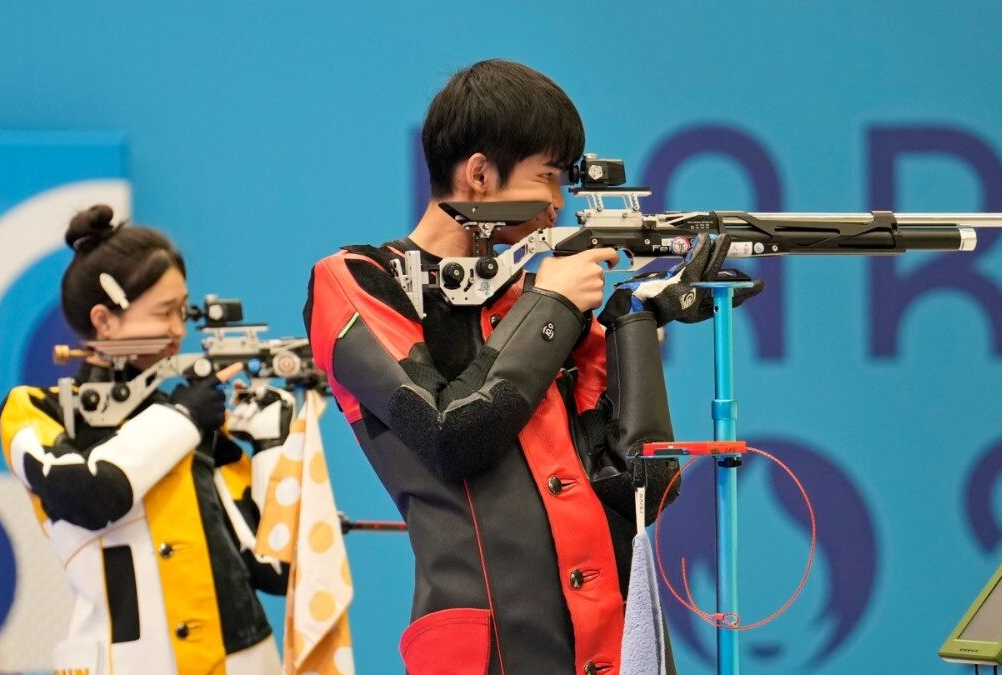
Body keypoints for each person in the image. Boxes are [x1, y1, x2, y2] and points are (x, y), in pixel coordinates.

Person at [304, 59, 760, 674]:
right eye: (548, 178)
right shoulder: (358, 280)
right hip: (487, 655)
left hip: (621, 643)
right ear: (480, 173)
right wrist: (552, 307)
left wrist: (634, 323)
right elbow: (450, 435)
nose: (557, 205)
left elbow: (645, 490)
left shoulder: (537, 295)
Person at [0, 205, 291, 675]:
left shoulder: (198, 420)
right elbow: (90, 493)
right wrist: (181, 417)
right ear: (104, 320)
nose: (179, 330)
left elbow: (277, 569)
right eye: (164, 312)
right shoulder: (36, 411)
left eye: (184, 311)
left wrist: (274, 449)